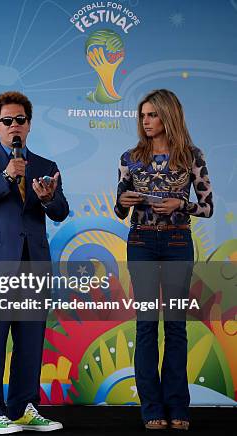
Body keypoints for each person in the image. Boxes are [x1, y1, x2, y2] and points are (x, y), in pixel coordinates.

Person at [0, 91, 69, 434]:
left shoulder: (46, 166)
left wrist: (50, 200)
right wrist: (6, 177)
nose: (14, 126)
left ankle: (22, 408)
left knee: (30, 340)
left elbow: (61, 212)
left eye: (20, 120)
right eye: (7, 121)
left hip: (33, 262)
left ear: (29, 125)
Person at [114, 89, 213, 431]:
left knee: (175, 326)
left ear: (168, 115)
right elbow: (118, 206)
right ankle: (151, 407)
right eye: (142, 115)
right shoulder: (129, 157)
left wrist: (179, 205)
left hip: (176, 242)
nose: (146, 121)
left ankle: (178, 407)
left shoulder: (191, 157)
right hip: (140, 241)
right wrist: (124, 201)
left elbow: (208, 207)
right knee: (145, 326)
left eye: (152, 115)